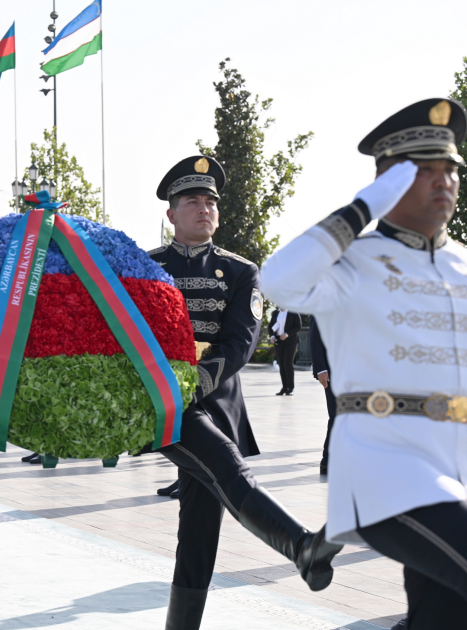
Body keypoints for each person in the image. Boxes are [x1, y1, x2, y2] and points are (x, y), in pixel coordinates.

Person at [261, 97, 467, 630]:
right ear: (389, 181)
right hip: (388, 468)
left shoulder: (462, 261)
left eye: (450, 170)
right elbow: (278, 280)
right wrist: (361, 209)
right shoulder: (352, 260)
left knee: (444, 616)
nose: (443, 181)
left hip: (457, 469)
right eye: (424, 171)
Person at [148, 155, 342, 629]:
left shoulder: (241, 272)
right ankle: (300, 546)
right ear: (171, 213)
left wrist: (195, 381)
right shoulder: (144, 267)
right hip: (164, 405)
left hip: (216, 401)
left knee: (200, 521)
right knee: (225, 467)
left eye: (210, 200)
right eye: (192, 199)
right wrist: (171, 388)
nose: (203, 207)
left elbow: (240, 341)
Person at [309, 319, 336, 475]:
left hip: (356, 369)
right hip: (332, 370)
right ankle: (327, 460)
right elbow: (315, 336)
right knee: (337, 414)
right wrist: (321, 369)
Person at [268, 307, 302, 395]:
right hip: (278, 341)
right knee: (281, 364)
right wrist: (272, 336)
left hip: (290, 341)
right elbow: (270, 326)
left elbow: (298, 326)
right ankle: (284, 387)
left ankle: (291, 387)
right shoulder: (275, 313)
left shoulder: (293, 311)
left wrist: (287, 334)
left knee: (288, 362)